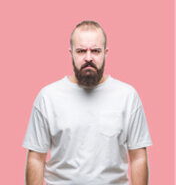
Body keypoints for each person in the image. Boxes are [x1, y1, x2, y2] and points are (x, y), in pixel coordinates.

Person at [23, 20, 152, 185]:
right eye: (81, 51)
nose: (88, 58)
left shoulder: (127, 96)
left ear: (105, 53)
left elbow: (138, 157)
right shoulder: (48, 96)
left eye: (96, 51)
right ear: (71, 54)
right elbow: (36, 158)